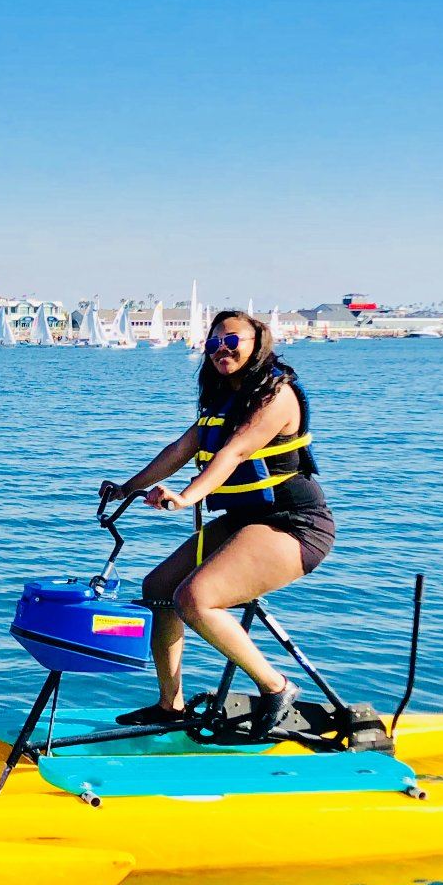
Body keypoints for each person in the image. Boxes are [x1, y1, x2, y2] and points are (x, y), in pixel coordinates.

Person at [101, 309, 334, 741]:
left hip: (294, 525)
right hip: (244, 520)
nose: (221, 351)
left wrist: (187, 497)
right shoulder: (223, 399)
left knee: (195, 598)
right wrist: (126, 489)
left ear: (256, 344)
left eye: (232, 342)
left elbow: (236, 454)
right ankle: (170, 707)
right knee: (158, 591)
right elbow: (181, 449)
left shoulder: (277, 394)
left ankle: (277, 687)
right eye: (212, 344)